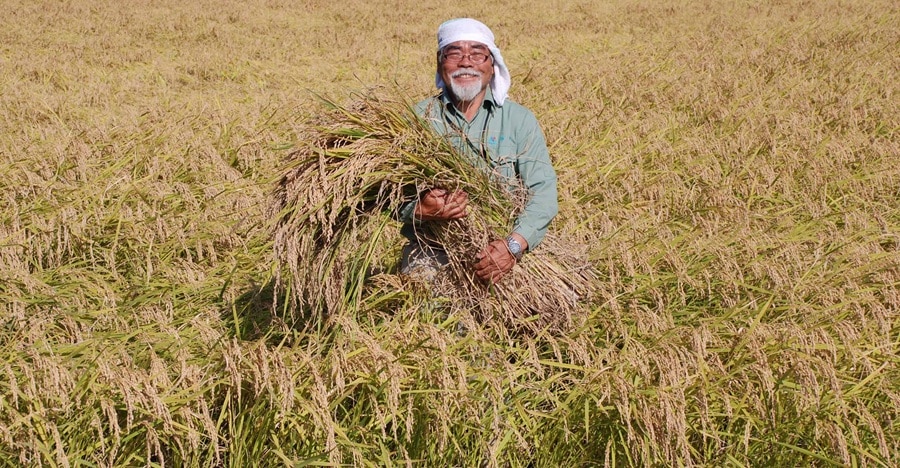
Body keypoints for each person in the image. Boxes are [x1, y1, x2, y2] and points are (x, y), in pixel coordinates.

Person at [397, 18, 558, 284]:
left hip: (506, 250)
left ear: (492, 66)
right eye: (454, 53)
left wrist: (513, 246)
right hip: (432, 251)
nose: (466, 62)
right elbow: (380, 196)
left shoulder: (519, 120)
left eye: (477, 53)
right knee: (425, 319)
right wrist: (419, 210)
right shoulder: (415, 121)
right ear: (440, 63)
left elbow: (543, 192)